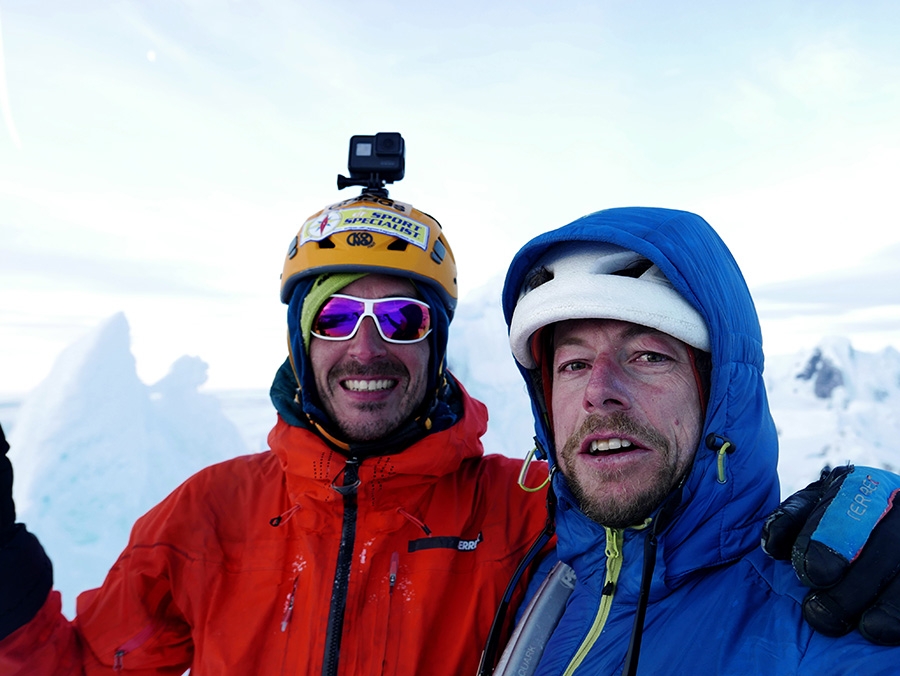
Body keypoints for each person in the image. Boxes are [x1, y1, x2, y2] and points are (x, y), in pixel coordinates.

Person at [0, 192, 897, 675]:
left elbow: (676, 541)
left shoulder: (528, 515)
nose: (365, 344)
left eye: (401, 317)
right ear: (297, 337)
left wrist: (867, 536)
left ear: (437, 342)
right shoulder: (206, 517)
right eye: (335, 314)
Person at [494, 206, 900, 675]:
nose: (598, 392)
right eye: (573, 365)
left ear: (719, 395)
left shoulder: (827, 624)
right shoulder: (541, 584)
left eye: (648, 356)